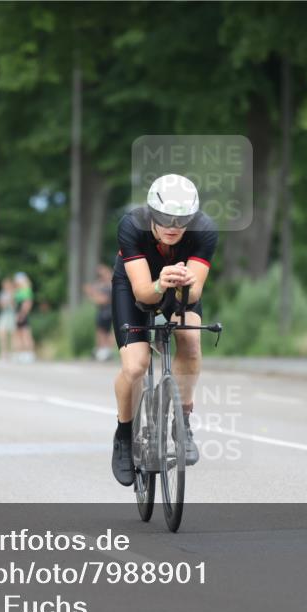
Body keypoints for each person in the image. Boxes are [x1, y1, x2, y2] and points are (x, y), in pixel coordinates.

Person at [110, 174, 217, 486]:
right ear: (150, 214)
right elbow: (143, 293)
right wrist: (159, 283)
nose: (173, 226)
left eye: (182, 220)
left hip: (182, 285)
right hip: (136, 287)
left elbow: (193, 297)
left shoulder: (205, 230)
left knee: (191, 339)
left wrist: (183, 285)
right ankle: (124, 436)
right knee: (136, 365)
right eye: (165, 218)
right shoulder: (131, 225)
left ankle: (182, 422)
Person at [84, 263, 115, 361]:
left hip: (106, 312)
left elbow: (102, 300)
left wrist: (92, 294)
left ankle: (105, 350)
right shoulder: (102, 284)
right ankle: (103, 350)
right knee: (102, 332)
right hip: (105, 312)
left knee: (103, 332)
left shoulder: (109, 285)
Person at [12, 272, 35, 362]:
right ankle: (20, 353)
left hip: (22, 314)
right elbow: (14, 303)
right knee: (18, 334)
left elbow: (27, 303)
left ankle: (29, 353)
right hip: (17, 313)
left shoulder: (26, 290)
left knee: (26, 334)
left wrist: (22, 314)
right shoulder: (18, 291)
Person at [0, 277, 16, 360]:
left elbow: (15, 305)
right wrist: (3, 303)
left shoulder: (14, 293)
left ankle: (13, 353)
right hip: (4, 314)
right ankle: (4, 352)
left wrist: (10, 299)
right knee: (1, 333)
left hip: (12, 314)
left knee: (13, 334)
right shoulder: (1, 294)